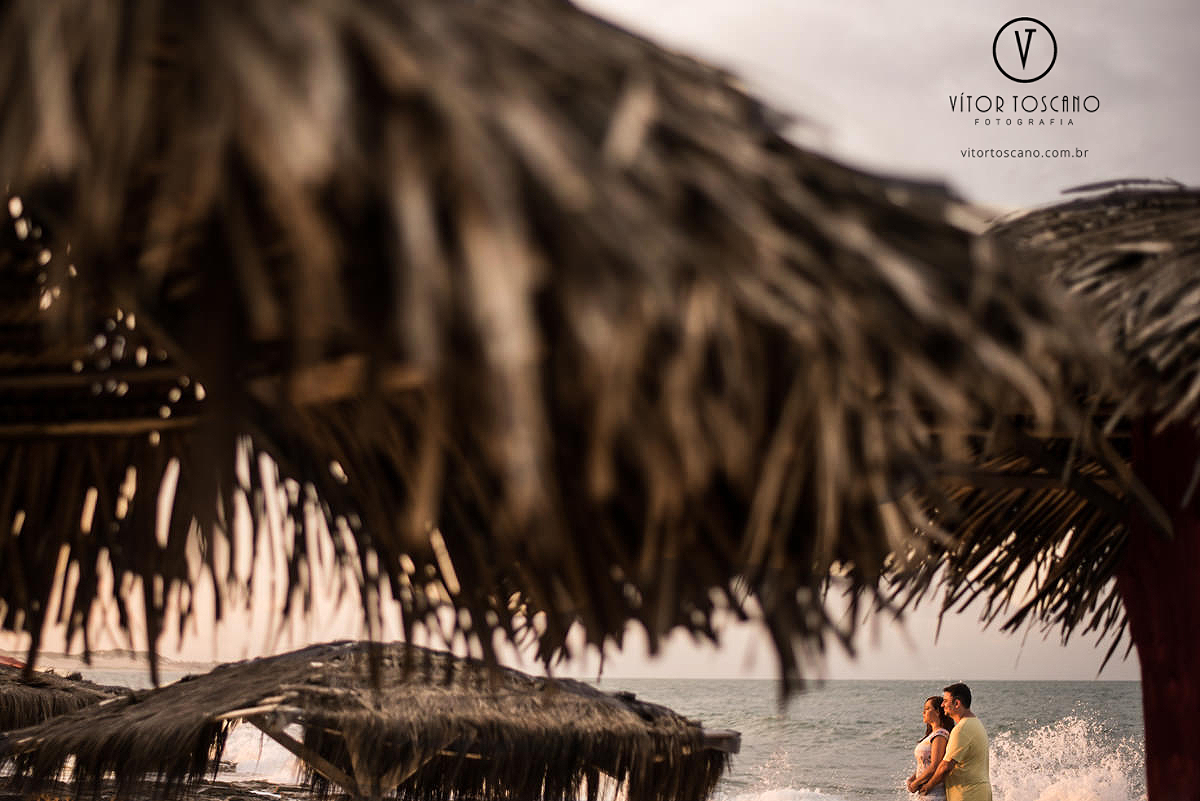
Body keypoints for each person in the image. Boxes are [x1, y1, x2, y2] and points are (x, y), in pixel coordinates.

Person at [915, 682, 992, 801]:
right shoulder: (975, 723)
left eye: (945, 701)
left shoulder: (961, 729)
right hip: (979, 792)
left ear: (956, 703)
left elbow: (945, 766)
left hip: (967, 795)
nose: (942, 704)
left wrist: (928, 786)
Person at [906, 695, 954, 797]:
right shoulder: (932, 735)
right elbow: (925, 764)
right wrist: (913, 778)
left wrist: (915, 783)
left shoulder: (940, 734)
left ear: (937, 712)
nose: (923, 712)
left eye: (927, 709)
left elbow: (935, 765)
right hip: (925, 792)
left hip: (935, 793)